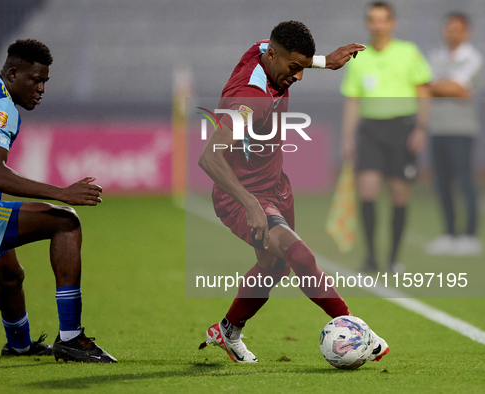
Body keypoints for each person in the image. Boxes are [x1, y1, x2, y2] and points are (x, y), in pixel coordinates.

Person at [197, 21, 389, 364]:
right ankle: (358, 329)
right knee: (298, 255)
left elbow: (279, 51)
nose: (298, 77)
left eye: (302, 68)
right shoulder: (249, 99)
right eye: (294, 68)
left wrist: (323, 62)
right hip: (242, 197)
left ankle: (227, 330)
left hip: (276, 186)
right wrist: (251, 204)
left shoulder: (265, 52)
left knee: (273, 267)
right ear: (273, 56)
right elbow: (209, 158)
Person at [0, 39, 117, 363]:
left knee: (9, 275)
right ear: (13, 73)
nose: (41, 88)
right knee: (65, 220)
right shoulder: (2, 108)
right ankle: (71, 337)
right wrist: (61, 192)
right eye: (35, 80)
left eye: (45, 81)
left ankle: (18, 345)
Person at [340, 1, 432, 272]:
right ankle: (370, 257)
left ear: (392, 23)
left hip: (401, 129)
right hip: (370, 130)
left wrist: (421, 127)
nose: (377, 24)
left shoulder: (409, 52)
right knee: (367, 190)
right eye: (372, 19)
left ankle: (393, 258)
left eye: (382, 19)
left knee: (399, 194)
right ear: (367, 24)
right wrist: (347, 138)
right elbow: (353, 101)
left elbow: (423, 90)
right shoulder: (358, 57)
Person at [424, 13, 483, 256]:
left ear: (466, 32)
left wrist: (434, 86)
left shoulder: (473, 58)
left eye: (457, 29)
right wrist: (440, 87)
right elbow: (423, 85)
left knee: (464, 182)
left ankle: (469, 236)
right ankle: (449, 234)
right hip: (436, 128)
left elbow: (459, 89)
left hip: (461, 130)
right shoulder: (435, 57)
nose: (452, 33)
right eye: (449, 28)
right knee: (442, 184)